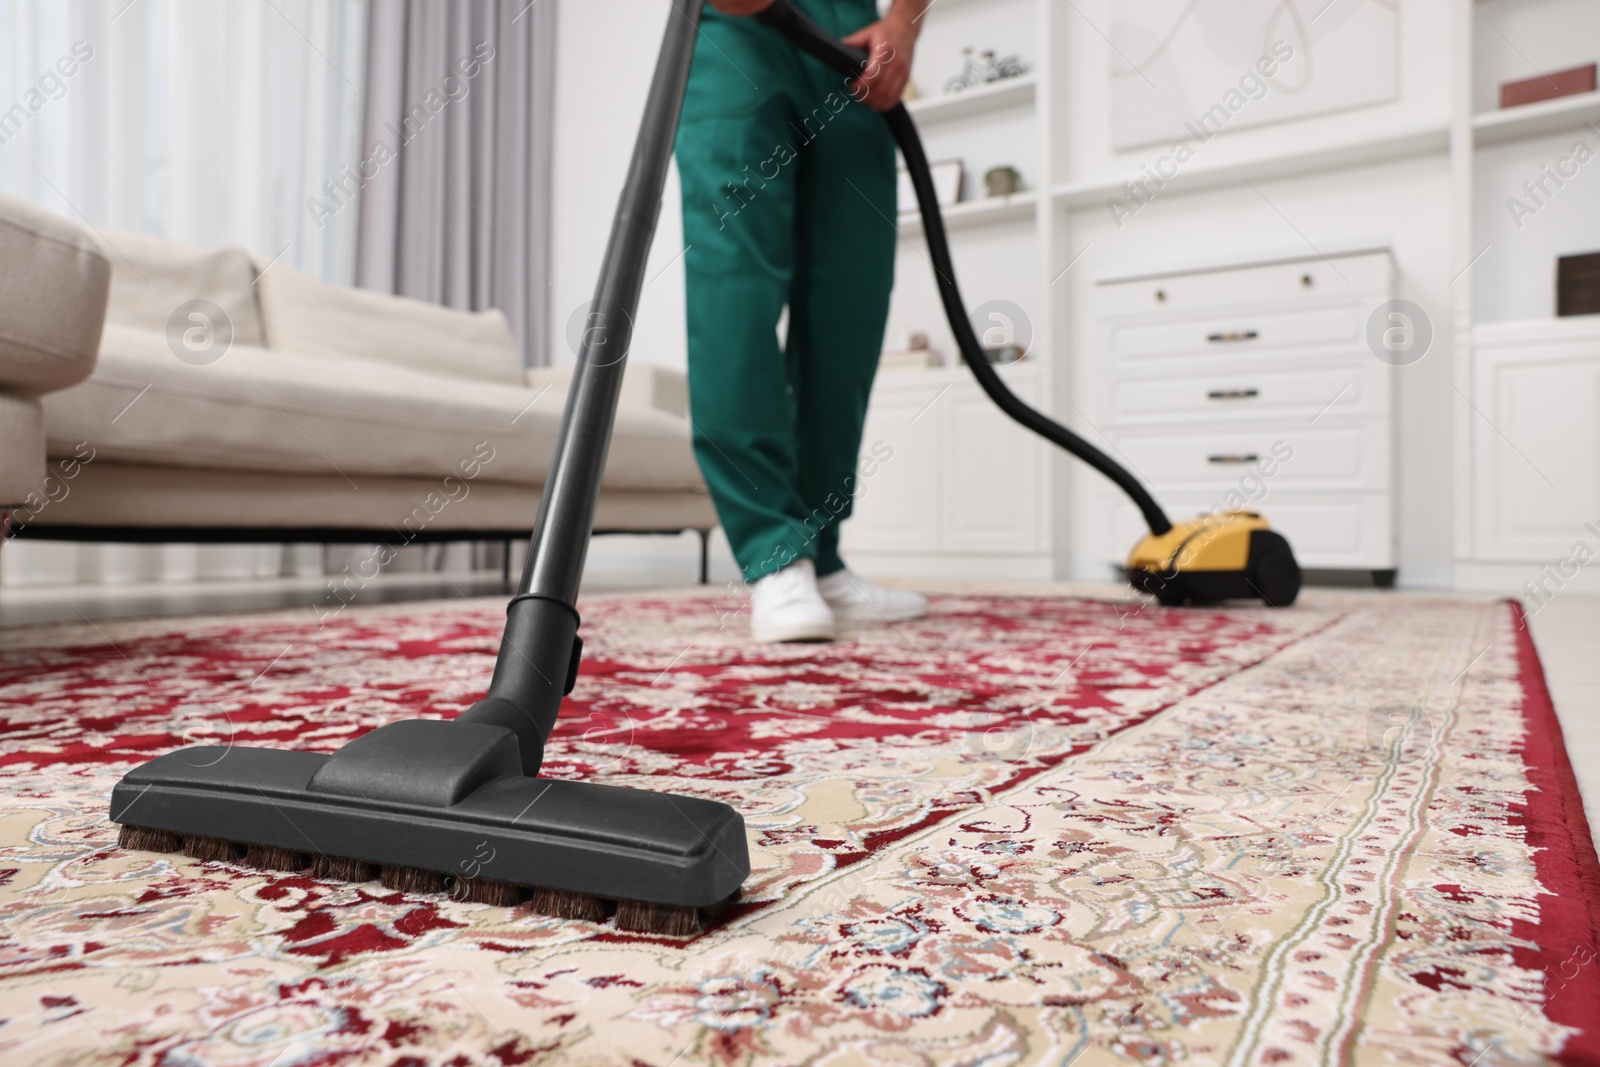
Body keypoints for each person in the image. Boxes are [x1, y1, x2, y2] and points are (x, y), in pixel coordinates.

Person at [676, 0, 930, 642]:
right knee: (735, 292)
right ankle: (775, 553)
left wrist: (905, 21)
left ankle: (821, 551)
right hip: (735, 30)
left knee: (853, 296)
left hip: (848, 30)